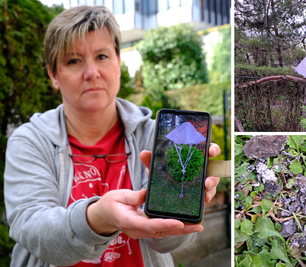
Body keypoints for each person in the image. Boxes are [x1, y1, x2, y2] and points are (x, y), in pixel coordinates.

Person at [3, 5, 221, 267]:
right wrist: (97, 218)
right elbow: (34, 232)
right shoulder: (30, 141)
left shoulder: (156, 136)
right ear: (53, 74)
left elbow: (164, 241)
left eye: (102, 56)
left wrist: (181, 206)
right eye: (74, 60)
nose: (92, 72)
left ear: (118, 62)